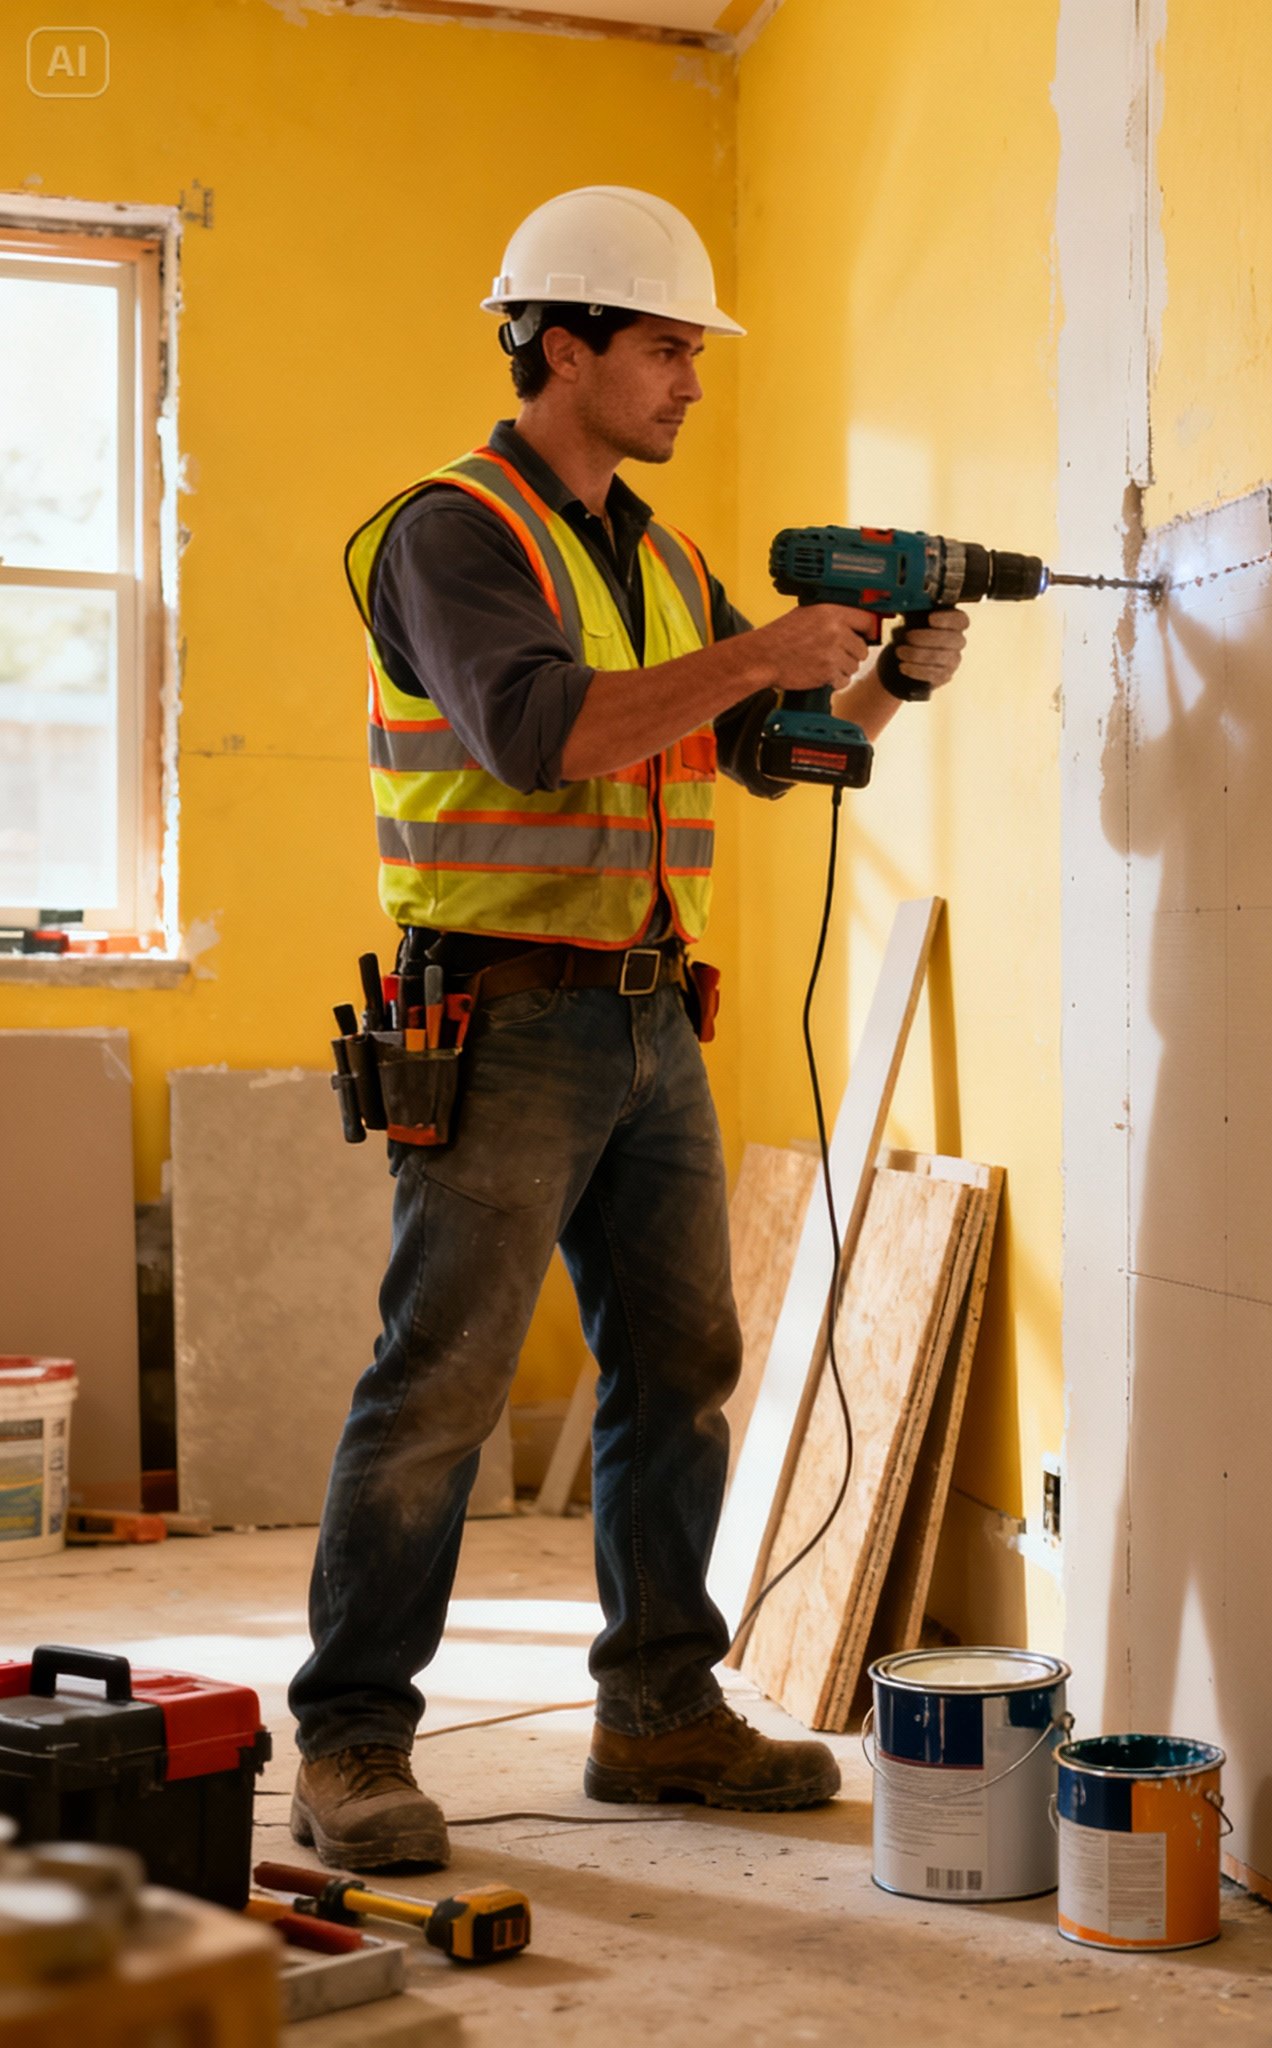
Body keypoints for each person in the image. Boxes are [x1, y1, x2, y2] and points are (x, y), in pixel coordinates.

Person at [286, 186, 969, 1871]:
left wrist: (886, 683)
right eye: (665, 349)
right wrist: (757, 654)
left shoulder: (656, 555)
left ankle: (657, 1708)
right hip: (502, 1025)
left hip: (655, 1021)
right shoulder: (447, 533)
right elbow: (539, 738)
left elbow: (766, 751)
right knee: (438, 1382)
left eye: (692, 353)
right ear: (559, 345)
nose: (690, 381)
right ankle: (356, 1740)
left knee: (682, 1372)